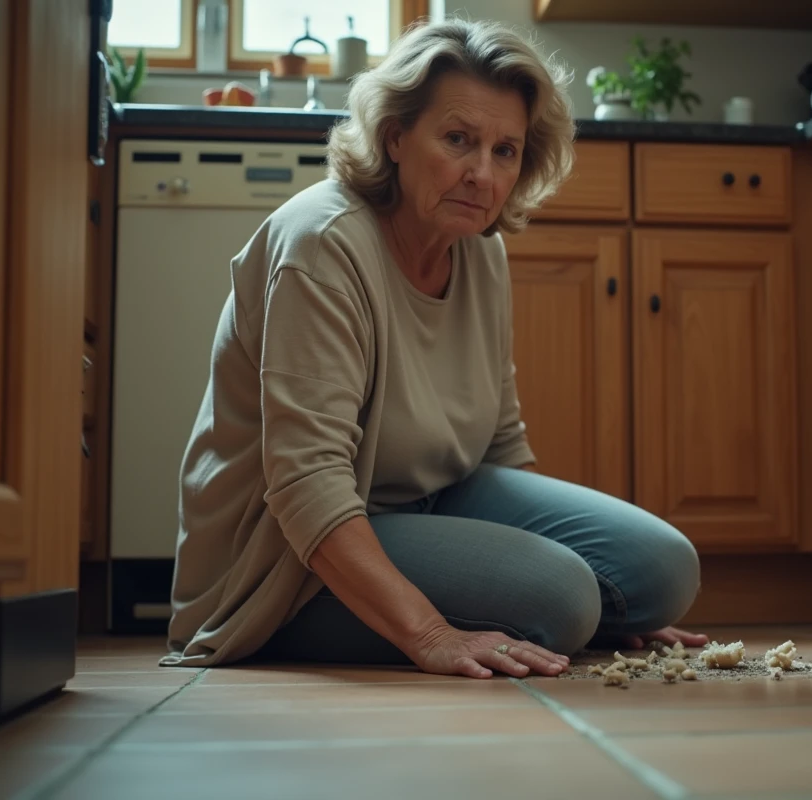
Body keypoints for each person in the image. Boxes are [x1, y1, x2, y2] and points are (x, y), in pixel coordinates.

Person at [161, 18, 706, 677]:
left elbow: (499, 442)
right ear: (395, 135)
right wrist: (431, 634)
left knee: (662, 569)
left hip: (429, 504)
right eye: (458, 139)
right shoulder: (323, 245)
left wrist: (624, 602)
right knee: (562, 600)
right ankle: (331, 619)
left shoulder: (480, 248)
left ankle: (564, 600)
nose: (482, 173)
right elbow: (305, 484)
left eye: (505, 151)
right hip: (282, 556)